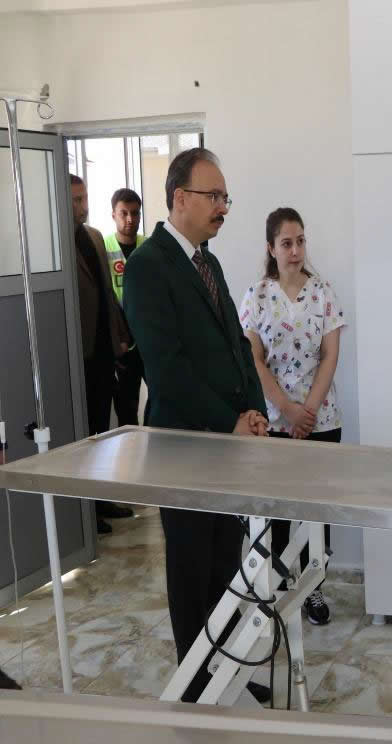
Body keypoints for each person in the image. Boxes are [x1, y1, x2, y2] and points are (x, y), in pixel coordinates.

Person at [123, 148, 271, 704]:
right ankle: (195, 692)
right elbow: (168, 370)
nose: (223, 207)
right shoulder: (148, 266)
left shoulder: (208, 262)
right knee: (191, 573)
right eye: (214, 196)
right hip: (182, 447)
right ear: (180, 198)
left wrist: (253, 410)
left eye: (226, 197)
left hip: (225, 447)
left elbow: (237, 343)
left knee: (223, 569)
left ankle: (225, 677)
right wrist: (229, 421)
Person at [239, 207, 345, 626]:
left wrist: (308, 412)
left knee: (317, 512)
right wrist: (286, 409)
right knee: (279, 511)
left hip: (322, 420)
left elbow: (330, 355)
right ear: (271, 248)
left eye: (300, 241)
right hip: (273, 421)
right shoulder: (257, 296)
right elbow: (253, 359)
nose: (296, 250)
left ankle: (314, 589)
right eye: (287, 243)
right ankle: (282, 587)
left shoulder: (323, 292)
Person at [70, 174, 133, 534]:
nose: (82, 206)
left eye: (83, 198)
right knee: (79, 436)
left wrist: (118, 336)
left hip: (103, 353)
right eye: (75, 200)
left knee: (100, 431)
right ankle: (84, 512)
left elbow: (108, 294)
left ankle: (101, 499)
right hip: (77, 354)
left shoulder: (94, 237)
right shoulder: (55, 242)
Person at [104, 188, 145, 427]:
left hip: (147, 335)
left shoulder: (148, 245)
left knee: (163, 395)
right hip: (122, 339)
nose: (130, 219)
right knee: (127, 406)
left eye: (135, 213)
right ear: (113, 215)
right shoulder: (104, 246)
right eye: (124, 213)